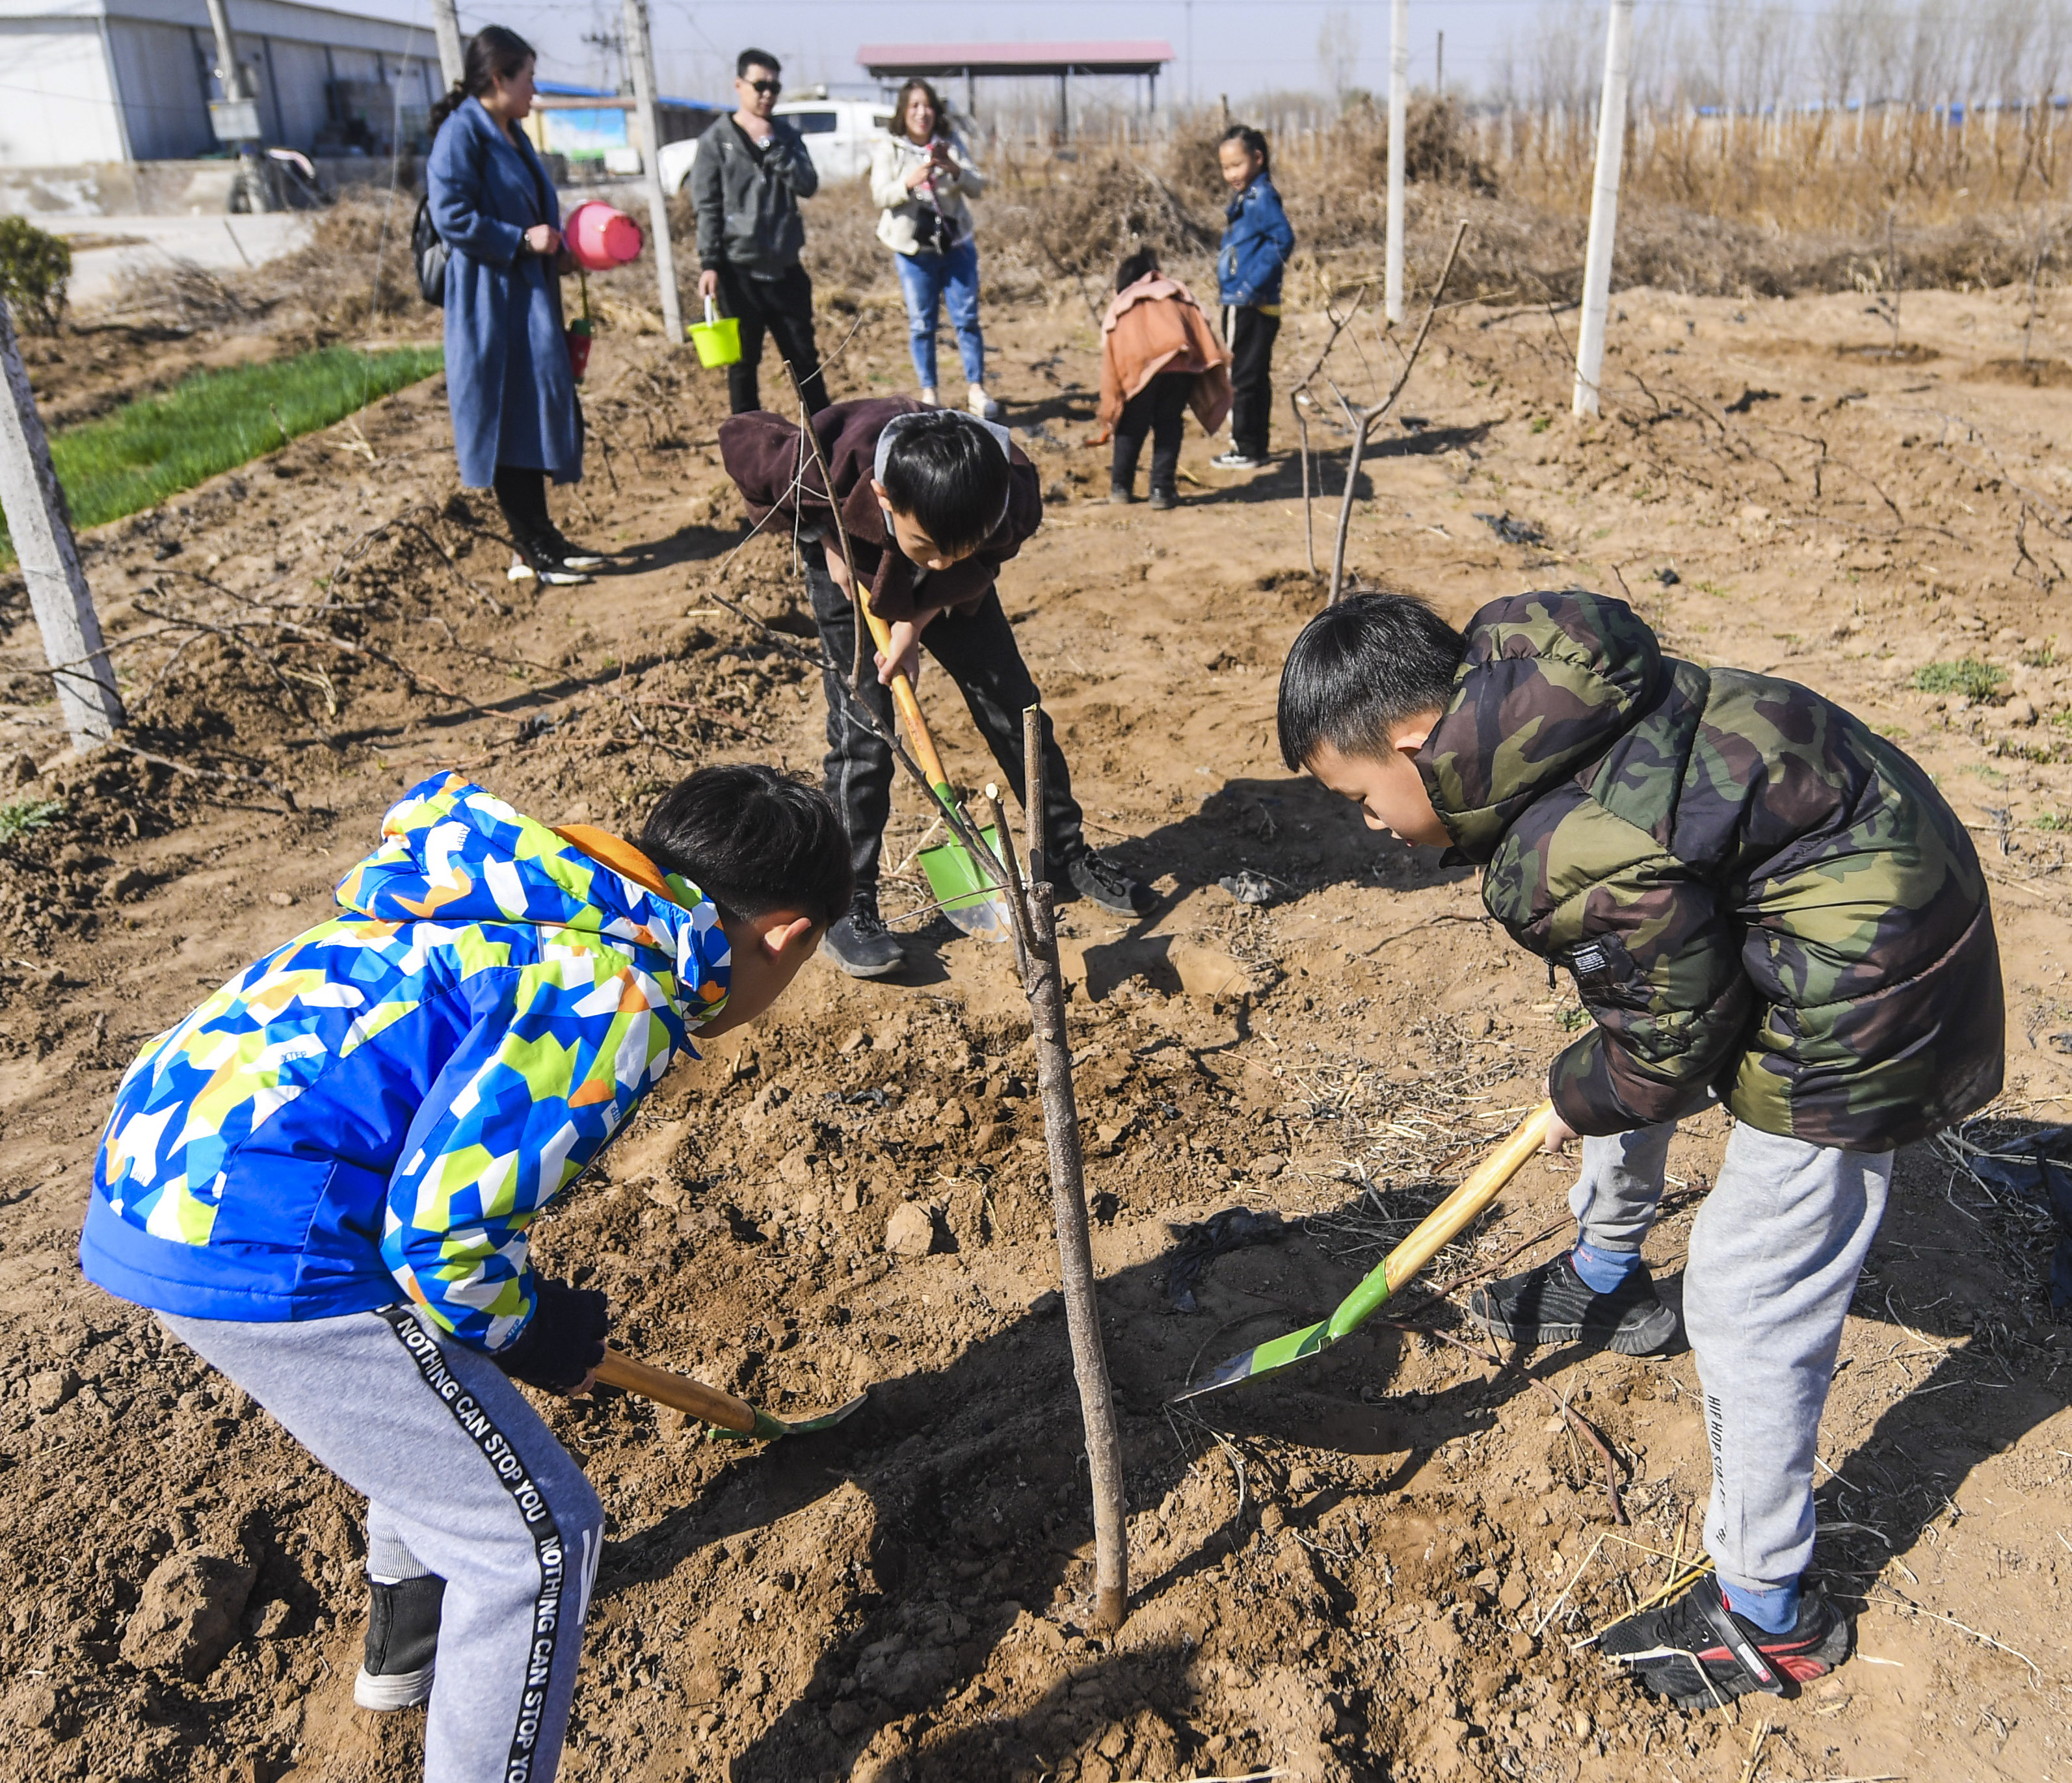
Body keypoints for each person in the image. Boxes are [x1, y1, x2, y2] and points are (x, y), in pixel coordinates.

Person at [1277, 590, 2006, 1708]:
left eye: (1363, 801)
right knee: (1613, 1043)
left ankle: (1769, 1617)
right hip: (1841, 890)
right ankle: (1604, 1279)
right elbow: (1652, 996)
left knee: (1747, 1290)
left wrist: (1587, 1087)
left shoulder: (1564, 838)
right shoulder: (1546, 697)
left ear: (1418, 743)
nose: (1369, 829)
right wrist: (1601, 1075)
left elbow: (1665, 1045)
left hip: (1871, 976)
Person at [80, 765, 848, 1782]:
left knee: (434, 1363)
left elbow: (434, 1223)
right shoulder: (615, 986)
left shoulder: (525, 898)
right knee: (535, 1542)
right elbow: (444, 1242)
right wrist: (531, 1329)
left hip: (157, 1173)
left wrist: (494, 1314)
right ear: (788, 935)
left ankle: (406, 1658)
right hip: (258, 1233)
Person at [719, 399, 1154, 976]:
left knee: (1014, 708)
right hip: (857, 569)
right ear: (882, 499)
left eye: (960, 547)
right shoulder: (828, 464)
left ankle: (1066, 852)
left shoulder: (1008, 491)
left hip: (961, 591)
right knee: (864, 737)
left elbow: (959, 558)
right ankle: (847, 903)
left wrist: (916, 620)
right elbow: (740, 435)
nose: (943, 560)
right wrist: (824, 536)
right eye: (928, 546)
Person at [425, 25, 605, 587]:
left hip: (527, 299)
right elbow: (449, 215)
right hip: (489, 303)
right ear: (499, 79)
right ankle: (528, 546)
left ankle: (543, 538)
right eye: (529, 78)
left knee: (529, 414)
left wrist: (558, 250)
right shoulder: (462, 135)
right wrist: (522, 241)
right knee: (506, 418)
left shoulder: (512, 133)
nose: (535, 91)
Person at [690, 47, 830, 419]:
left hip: (786, 271)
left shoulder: (787, 136)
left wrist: (779, 150)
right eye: (760, 85)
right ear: (739, 85)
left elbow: (808, 185)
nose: (767, 93)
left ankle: (826, 442)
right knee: (743, 365)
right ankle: (747, 443)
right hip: (739, 275)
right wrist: (710, 264)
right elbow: (707, 208)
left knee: (804, 360)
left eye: (775, 86)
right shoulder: (715, 142)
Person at [870, 80, 996, 419]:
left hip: (956, 246)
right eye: (913, 106)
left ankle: (976, 390)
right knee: (922, 324)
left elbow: (979, 186)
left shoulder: (950, 144)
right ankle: (930, 394)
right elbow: (880, 195)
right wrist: (910, 181)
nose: (921, 113)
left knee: (967, 319)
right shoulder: (890, 148)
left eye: (927, 106)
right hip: (914, 251)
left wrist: (952, 169)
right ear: (903, 112)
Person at [1095, 246, 1232, 508]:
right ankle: (1162, 491)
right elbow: (1203, 324)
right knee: (1169, 424)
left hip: (1138, 366)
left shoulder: (1125, 301)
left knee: (1131, 427)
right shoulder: (1177, 292)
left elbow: (1109, 341)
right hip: (1181, 364)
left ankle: (1120, 489)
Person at [1211, 125, 1293, 473]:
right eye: (1226, 167)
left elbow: (1283, 240)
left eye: (1237, 165)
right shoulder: (1252, 197)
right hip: (1253, 300)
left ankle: (1244, 447)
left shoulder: (1260, 198)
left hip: (1248, 303)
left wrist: (1249, 288)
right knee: (1255, 375)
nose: (1231, 174)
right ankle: (1257, 446)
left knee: (1241, 377)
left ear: (1258, 159)